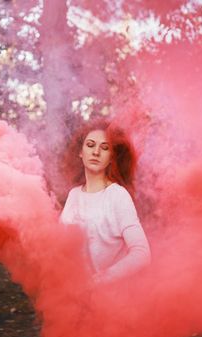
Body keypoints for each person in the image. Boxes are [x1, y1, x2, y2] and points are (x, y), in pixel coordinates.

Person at [60, 118, 151, 284]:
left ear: (111, 158)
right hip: (75, 297)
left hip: (111, 300)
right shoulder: (74, 195)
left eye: (104, 148)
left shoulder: (117, 195)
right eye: (90, 145)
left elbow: (142, 253)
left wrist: (101, 280)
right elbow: (61, 246)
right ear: (80, 152)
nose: (96, 152)